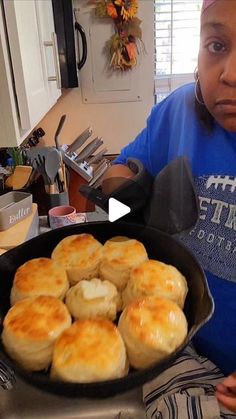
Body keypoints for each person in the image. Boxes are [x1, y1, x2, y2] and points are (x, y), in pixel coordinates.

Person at [102, 0, 236, 416]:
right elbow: (118, 169)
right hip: (173, 350)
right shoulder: (178, 111)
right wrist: (126, 198)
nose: (230, 74)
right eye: (217, 45)